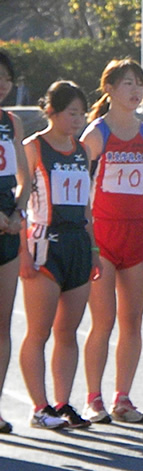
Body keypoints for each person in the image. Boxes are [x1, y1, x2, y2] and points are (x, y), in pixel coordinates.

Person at [80, 58, 143, 424]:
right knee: (103, 321)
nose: (136, 90)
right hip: (102, 236)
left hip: (136, 237)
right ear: (109, 89)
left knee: (132, 321)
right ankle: (93, 398)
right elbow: (79, 191)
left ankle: (123, 399)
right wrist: (85, 239)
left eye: (140, 84)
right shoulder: (95, 135)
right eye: (128, 83)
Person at [18, 81, 101, 429]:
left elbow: (86, 205)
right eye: (72, 113)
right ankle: (40, 407)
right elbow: (21, 201)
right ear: (51, 112)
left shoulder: (83, 150)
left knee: (68, 331)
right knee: (39, 331)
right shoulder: (32, 148)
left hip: (77, 244)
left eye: (82, 114)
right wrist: (23, 251)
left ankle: (63, 403)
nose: (78, 120)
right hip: (45, 244)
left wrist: (93, 248)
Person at [0, 51, 31, 434]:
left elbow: (26, 177)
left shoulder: (12, 122)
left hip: (9, 228)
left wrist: (19, 210)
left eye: (6, 78)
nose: (2, 85)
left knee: (2, 323)